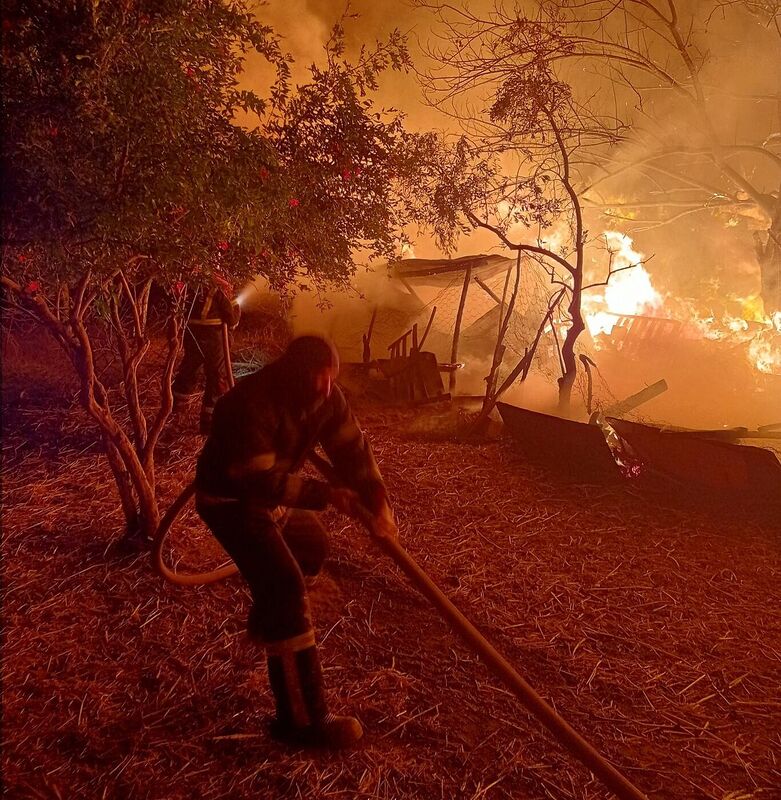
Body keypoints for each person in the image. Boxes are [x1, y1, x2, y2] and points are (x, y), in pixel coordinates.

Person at [195, 335, 398, 749]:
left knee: (311, 546)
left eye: (332, 379)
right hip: (233, 503)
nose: (327, 389)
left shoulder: (325, 396)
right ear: (294, 374)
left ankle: (274, 614)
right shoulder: (250, 404)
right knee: (285, 586)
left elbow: (352, 449)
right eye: (320, 379)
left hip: (273, 502)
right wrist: (327, 496)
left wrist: (377, 501)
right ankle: (302, 722)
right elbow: (256, 482)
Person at [172, 276, 240, 434]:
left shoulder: (191, 283)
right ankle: (208, 424)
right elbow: (232, 319)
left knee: (189, 371)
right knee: (216, 377)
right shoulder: (220, 287)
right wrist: (234, 303)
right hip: (214, 337)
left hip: (192, 334)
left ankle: (175, 412)